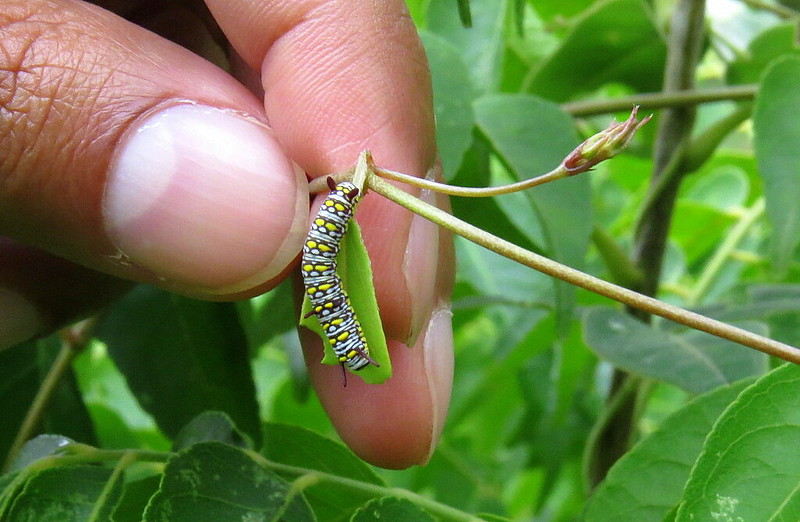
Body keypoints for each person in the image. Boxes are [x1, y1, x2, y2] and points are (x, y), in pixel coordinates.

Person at [0, 0, 454, 469]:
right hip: (328, 220)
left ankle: (341, 206)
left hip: (329, 222)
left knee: (325, 266)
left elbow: (326, 279)